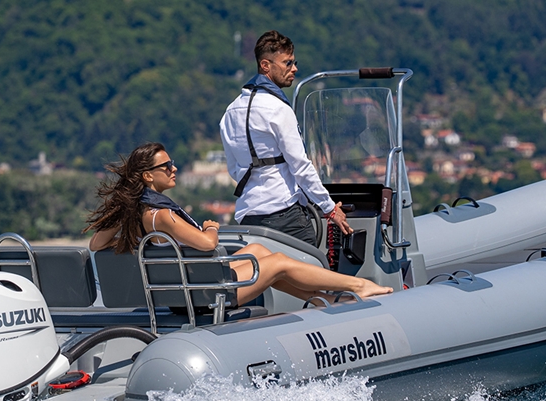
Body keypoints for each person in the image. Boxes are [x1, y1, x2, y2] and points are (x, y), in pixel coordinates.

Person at [84, 142, 391, 306]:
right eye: (167, 166)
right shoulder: (161, 215)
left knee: (258, 251)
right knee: (278, 263)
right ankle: (357, 286)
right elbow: (208, 244)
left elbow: (97, 244)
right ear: (148, 176)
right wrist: (211, 227)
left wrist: (133, 241)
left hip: (191, 286)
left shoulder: (136, 211)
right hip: (206, 295)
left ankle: (323, 299)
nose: (173, 169)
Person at [219, 30, 350, 246]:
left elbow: (234, 169)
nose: (294, 68)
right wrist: (330, 208)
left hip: (248, 216)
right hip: (285, 215)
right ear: (265, 65)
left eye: (294, 62)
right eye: (287, 63)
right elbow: (300, 166)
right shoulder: (278, 109)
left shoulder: (230, 112)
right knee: (313, 267)